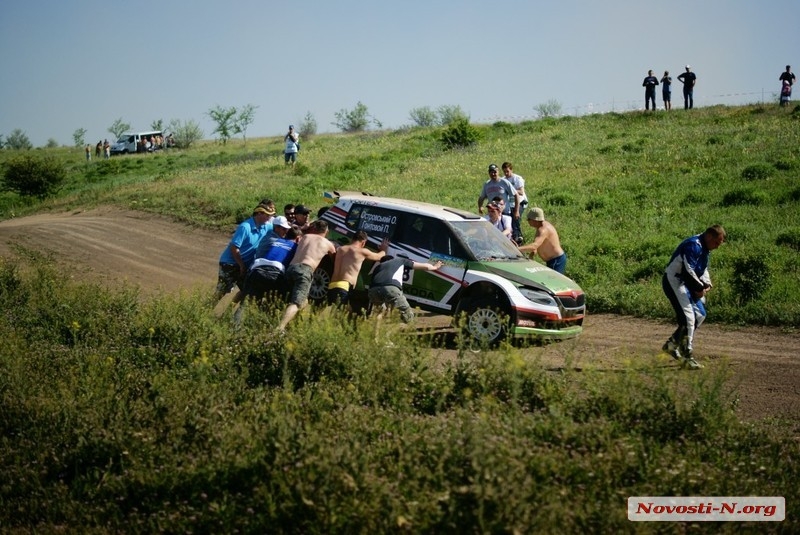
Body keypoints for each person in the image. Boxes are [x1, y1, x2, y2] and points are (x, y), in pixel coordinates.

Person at [661, 225, 726, 370]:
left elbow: (702, 269)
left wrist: (706, 284)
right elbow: (688, 270)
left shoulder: (704, 247)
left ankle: (672, 345)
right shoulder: (693, 245)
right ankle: (687, 356)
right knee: (689, 318)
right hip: (675, 281)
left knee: (700, 315)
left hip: (686, 283)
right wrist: (700, 288)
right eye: (716, 243)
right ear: (709, 236)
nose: (717, 247)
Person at [276, 220, 337, 331]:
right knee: (297, 303)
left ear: (314, 229)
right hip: (305, 270)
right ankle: (279, 328)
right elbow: (334, 261)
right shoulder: (328, 244)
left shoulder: (305, 237)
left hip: (291, 268)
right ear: (327, 231)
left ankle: (292, 327)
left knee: (299, 301)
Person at [213, 204, 274, 304]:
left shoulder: (266, 226)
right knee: (221, 291)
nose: (269, 218)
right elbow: (234, 248)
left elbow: (280, 229)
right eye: (267, 215)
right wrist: (241, 265)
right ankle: (203, 312)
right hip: (230, 263)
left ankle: (228, 312)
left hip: (244, 265)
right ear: (259, 213)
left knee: (246, 290)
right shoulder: (245, 227)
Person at [367, 255, 443, 324]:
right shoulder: (400, 260)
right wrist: (435, 267)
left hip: (373, 290)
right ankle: (410, 334)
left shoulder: (378, 267)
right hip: (391, 288)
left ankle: (375, 337)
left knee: (378, 313)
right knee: (407, 314)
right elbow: (425, 267)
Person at [327, 231, 389, 308]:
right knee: (338, 315)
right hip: (344, 287)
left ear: (352, 239)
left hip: (332, 285)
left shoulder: (341, 249)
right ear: (363, 243)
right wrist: (384, 249)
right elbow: (379, 257)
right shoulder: (361, 251)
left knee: (332, 313)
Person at [517, 207, 567, 274]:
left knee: (553, 282)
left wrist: (517, 249)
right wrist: (532, 254)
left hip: (556, 260)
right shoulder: (540, 227)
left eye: (529, 219)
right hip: (552, 260)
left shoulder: (543, 230)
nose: (527, 221)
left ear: (535, 220)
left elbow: (534, 246)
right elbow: (537, 244)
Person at [502, 162, 528, 244]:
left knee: (516, 218)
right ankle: (513, 237)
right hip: (510, 203)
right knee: (509, 219)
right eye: (504, 172)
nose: (506, 173)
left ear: (511, 170)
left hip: (520, 202)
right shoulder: (503, 180)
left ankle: (518, 237)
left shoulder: (517, 178)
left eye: (507, 171)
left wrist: (511, 190)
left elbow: (521, 191)